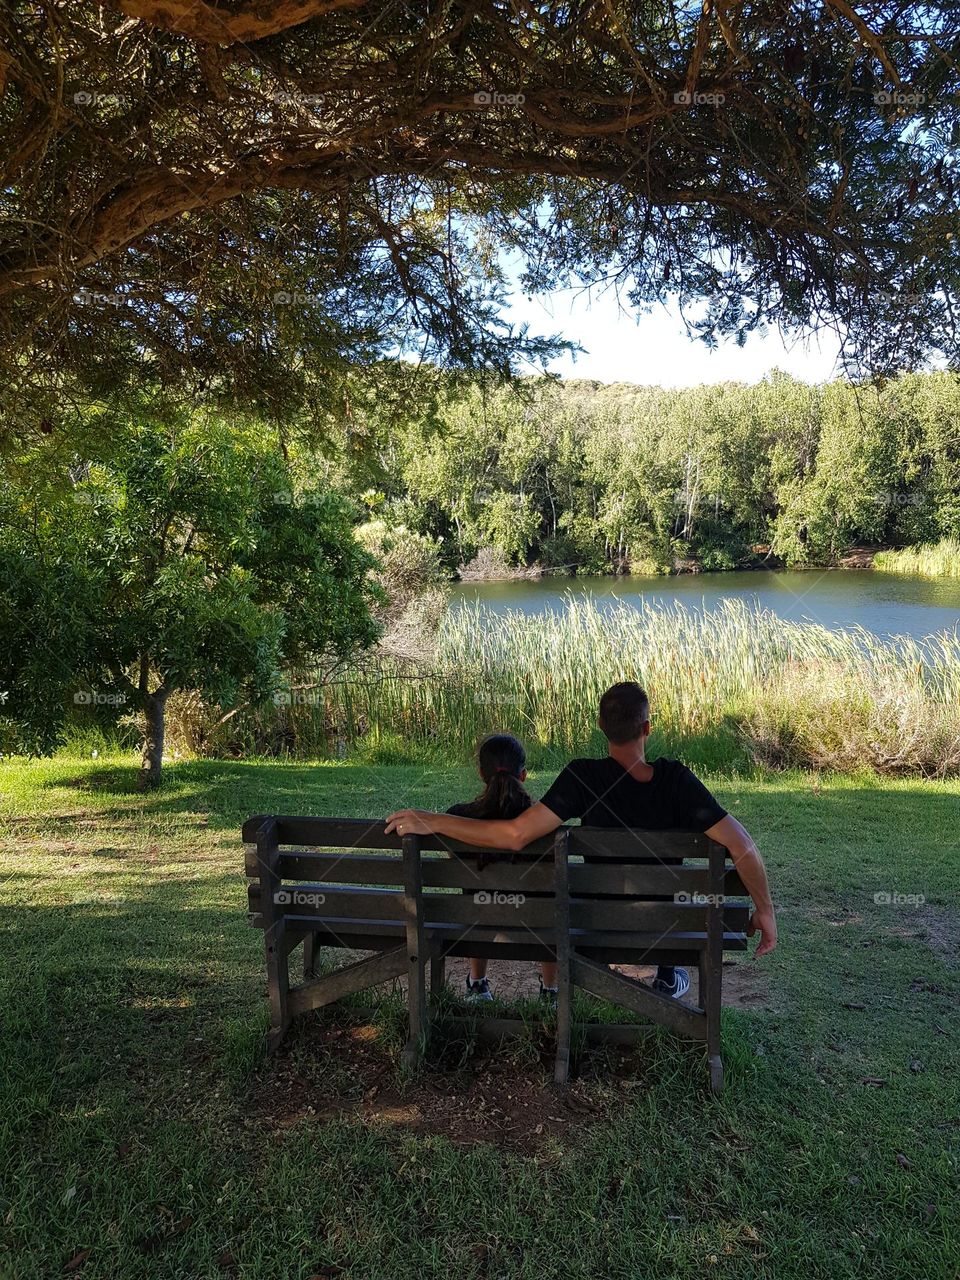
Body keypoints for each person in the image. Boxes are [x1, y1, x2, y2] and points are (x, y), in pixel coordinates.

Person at [386, 681, 777, 999]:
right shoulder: (677, 781)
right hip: (665, 926)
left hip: (597, 922)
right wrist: (765, 912)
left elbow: (515, 834)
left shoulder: (582, 778)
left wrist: (433, 820)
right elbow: (742, 845)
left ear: (601, 727)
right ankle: (667, 976)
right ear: (647, 727)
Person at [445, 733, 558, 1003]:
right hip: (535, 920)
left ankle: (477, 985)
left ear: (481, 773)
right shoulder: (541, 823)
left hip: (478, 914)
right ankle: (550, 992)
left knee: (474, 898)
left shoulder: (457, 818)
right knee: (549, 908)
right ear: (524, 775)